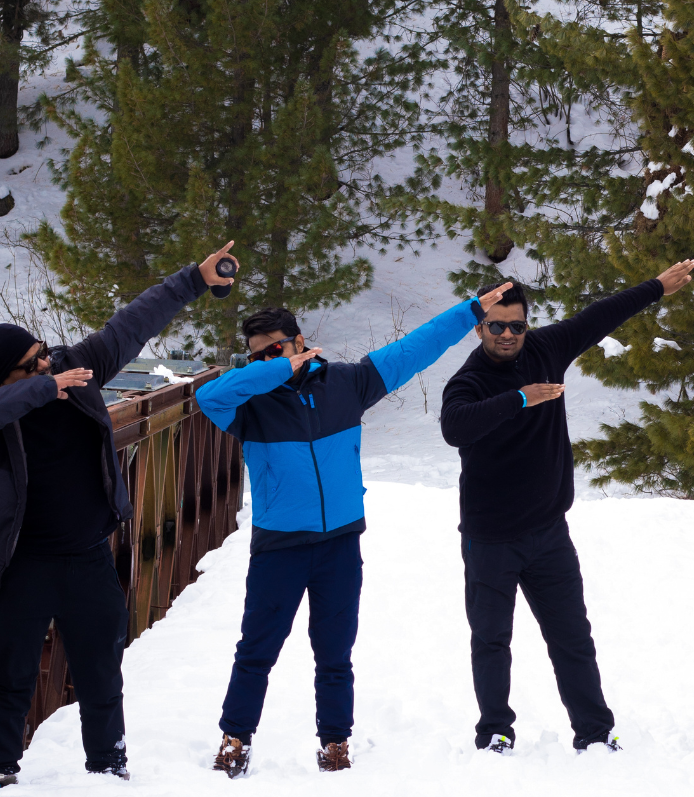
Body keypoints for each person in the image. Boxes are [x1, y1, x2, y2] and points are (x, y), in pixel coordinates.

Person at [196, 283, 514, 778]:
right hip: (279, 547)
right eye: (258, 356)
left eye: (277, 349)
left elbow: (415, 348)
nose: (267, 361)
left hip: (339, 544)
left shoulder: (348, 384)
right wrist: (275, 369)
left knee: (335, 653)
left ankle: (335, 743)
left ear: (301, 341)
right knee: (256, 649)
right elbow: (204, 395)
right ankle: (235, 738)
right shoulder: (248, 405)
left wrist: (471, 311)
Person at [0, 243, 239, 790]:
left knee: (102, 675)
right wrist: (44, 388)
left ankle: (108, 769)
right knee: (9, 678)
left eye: (44, 354)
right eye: (32, 364)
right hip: (26, 567)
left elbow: (132, 323)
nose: (47, 363)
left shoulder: (74, 370)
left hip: (88, 559)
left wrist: (195, 279)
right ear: (1, 376)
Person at [439, 260, 694, 754]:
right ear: (479, 327)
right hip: (490, 537)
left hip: (548, 533)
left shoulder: (546, 348)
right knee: (492, 641)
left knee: (572, 638)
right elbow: (455, 427)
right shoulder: (468, 381)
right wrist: (519, 399)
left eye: (517, 325)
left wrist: (656, 287)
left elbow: (599, 316)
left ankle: (595, 731)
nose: (509, 334)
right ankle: (495, 730)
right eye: (498, 326)